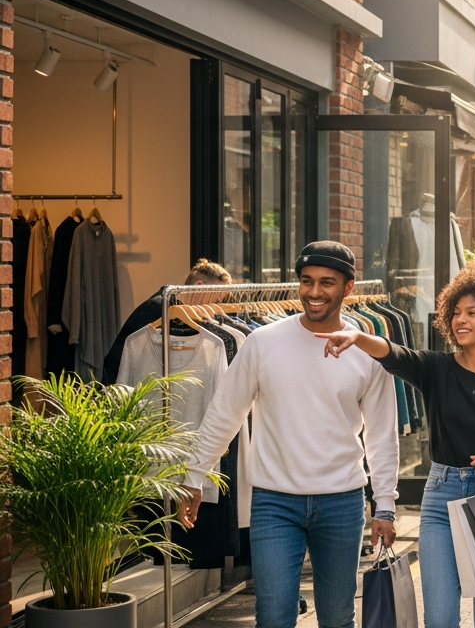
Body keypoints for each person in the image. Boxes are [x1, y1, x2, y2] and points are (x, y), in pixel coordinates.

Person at [177, 242, 399, 628]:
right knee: (274, 618)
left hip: (341, 502)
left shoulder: (367, 351)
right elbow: (224, 413)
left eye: (327, 282)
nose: (314, 292)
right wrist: (195, 476)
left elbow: (382, 434)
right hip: (274, 502)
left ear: (348, 288)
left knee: (336, 618)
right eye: (307, 281)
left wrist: (385, 505)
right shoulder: (262, 342)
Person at [314, 261, 475, 628]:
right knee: (440, 618)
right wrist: (357, 337)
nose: (459, 320)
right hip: (440, 501)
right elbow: (394, 354)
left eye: (472, 313)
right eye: (455, 312)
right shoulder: (438, 369)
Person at [100, 259, 232, 385]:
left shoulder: (176, 308)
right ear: (199, 286)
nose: (217, 305)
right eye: (215, 297)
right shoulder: (159, 309)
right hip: (121, 386)